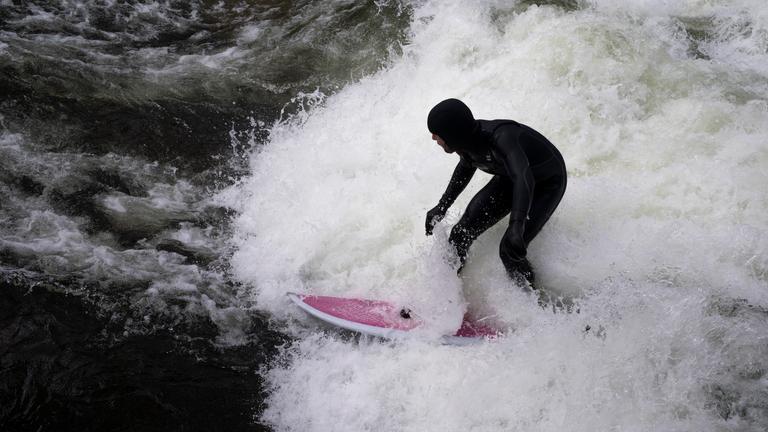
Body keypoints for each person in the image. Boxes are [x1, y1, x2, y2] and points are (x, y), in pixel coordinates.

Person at [425, 98, 567, 287]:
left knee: (509, 249)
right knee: (460, 234)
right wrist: (442, 206)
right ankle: (442, 290)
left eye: (436, 133)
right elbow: (466, 167)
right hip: (511, 178)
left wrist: (517, 224)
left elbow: (523, 179)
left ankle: (532, 303)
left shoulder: (502, 138)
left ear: (453, 134)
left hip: (546, 183)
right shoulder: (465, 143)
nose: (434, 138)